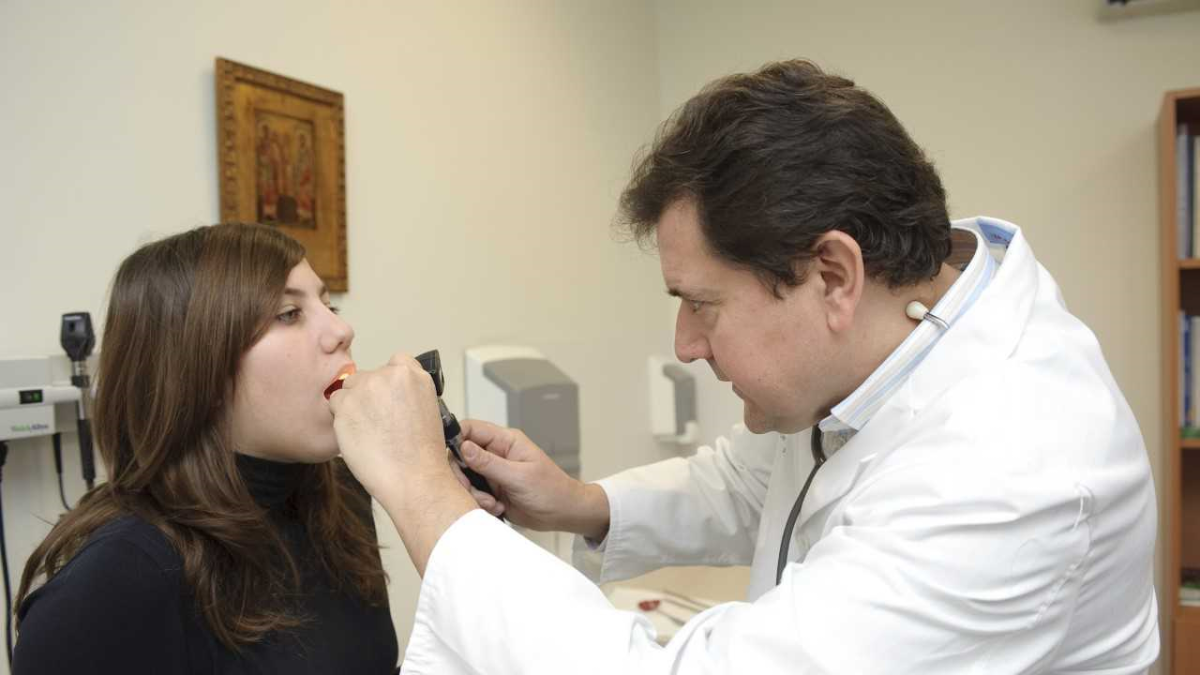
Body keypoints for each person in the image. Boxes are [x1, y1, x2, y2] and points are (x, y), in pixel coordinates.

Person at [329, 60, 1160, 673]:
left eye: (703, 303)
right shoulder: (908, 328)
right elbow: (756, 479)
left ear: (832, 275)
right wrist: (583, 504)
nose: (686, 344)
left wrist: (429, 500)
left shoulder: (1012, 469)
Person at [14, 223, 398, 674]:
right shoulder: (114, 583)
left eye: (328, 305)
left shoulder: (342, 498)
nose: (341, 329)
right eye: (288, 313)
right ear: (198, 369)